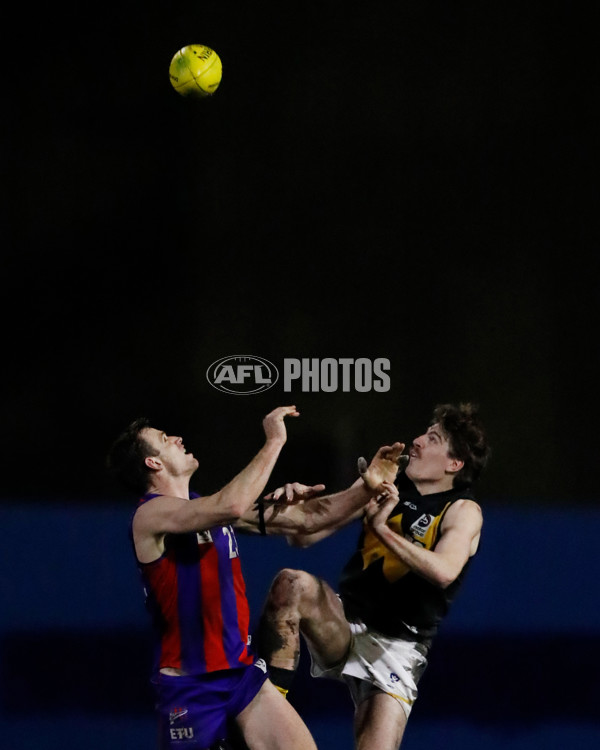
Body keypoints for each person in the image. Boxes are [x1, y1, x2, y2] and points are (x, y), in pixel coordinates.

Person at [106, 405, 404, 750]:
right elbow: (231, 505)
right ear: (153, 463)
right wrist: (275, 440)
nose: (177, 438)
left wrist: (366, 488)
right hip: (192, 689)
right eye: (164, 439)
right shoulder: (149, 515)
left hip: (243, 679)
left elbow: (305, 520)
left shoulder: (207, 507)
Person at [255, 403, 490, 749]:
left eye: (433, 438)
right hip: (346, 623)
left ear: (454, 464)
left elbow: (443, 571)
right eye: (425, 431)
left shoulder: (463, 510)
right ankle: (268, 714)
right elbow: (303, 537)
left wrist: (382, 528)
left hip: (398, 647)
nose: (418, 441)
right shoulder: (387, 483)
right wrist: (294, 506)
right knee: (292, 585)